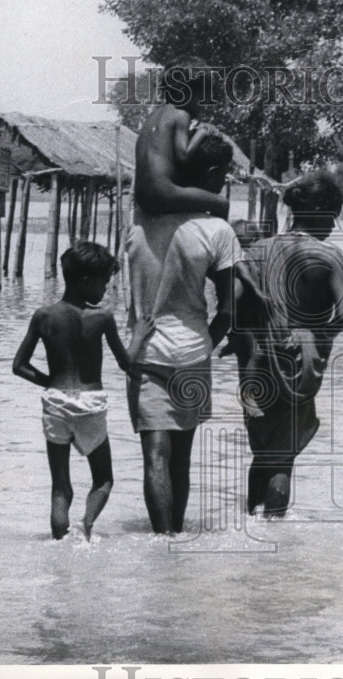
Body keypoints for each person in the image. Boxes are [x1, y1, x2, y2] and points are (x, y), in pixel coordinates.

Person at [125, 134, 242, 534]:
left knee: (154, 457)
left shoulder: (139, 217)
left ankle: (161, 544)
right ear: (211, 174)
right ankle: (176, 541)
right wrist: (208, 340)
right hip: (193, 351)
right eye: (224, 175)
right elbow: (229, 309)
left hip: (146, 351)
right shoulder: (217, 232)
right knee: (182, 459)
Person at [229, 171, 343, 516]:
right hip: (300, 365)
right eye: (333, 216)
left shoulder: (257, 252)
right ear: (317, 211)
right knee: (283, 457)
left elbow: (236, 311)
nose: (334, 224)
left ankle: (249, 520)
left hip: (256, 359)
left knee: (263, 449)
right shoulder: (329, 258)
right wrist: (315, 339)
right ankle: (275, 542)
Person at [12, 241, 145, 540]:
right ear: (86, 281)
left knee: (60, 486)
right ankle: (85, 524)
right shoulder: (101, 317)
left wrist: (51, 382)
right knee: (103, 480)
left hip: (55, 401)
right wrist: (139, 333)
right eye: (104, 283)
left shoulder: (43, 316)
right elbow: (127, 363)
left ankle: (60, 544)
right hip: (91, 404)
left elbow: (19, 366)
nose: (106, 290)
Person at [133, 54, 230, 220]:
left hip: (141, 197)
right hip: (164, 193)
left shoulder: (152, 117)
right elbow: (183, 154)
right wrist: (203, 131)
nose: (204, 104)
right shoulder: (181, 114)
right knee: (221, 204)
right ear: (186, 92)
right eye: (202, 97)